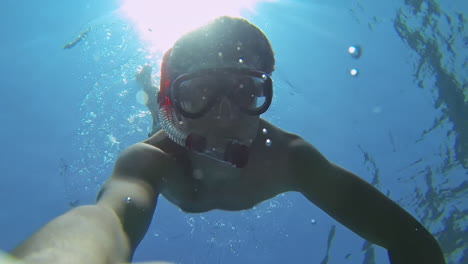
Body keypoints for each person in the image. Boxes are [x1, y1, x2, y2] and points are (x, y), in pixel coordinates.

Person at [10, 16, 445, 264]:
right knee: (151, 112)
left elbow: (411, 241)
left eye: (244, 91)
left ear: (264, 95)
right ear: (176, 105)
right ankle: (151, 92)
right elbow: (109, 218)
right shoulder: (149, 159)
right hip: (164, 123)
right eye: (199, 92)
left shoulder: (292, 159)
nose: (224, 112)